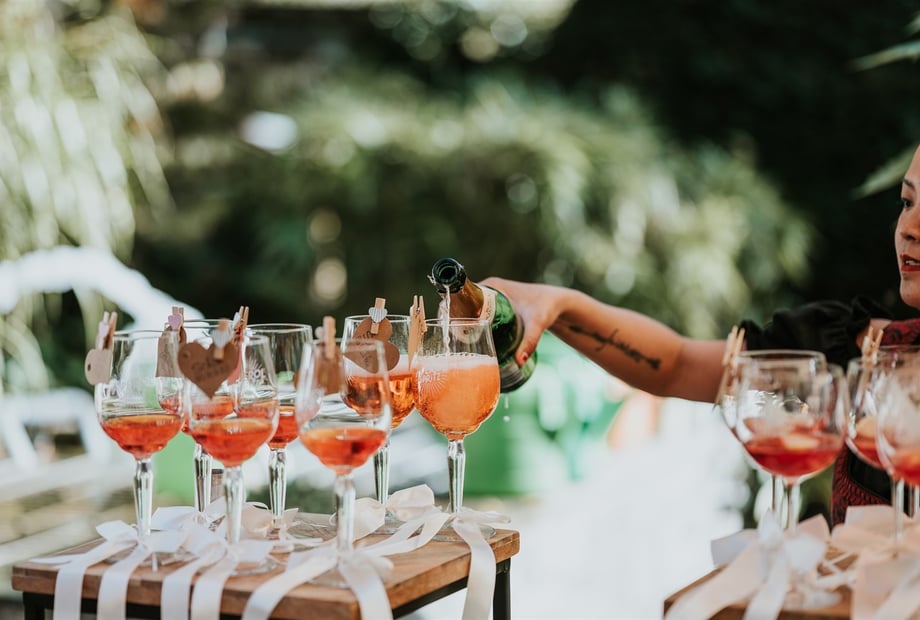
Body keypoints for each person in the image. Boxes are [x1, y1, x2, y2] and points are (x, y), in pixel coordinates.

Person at [481, 142, 920, 526]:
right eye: (906, 202)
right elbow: (677, 365)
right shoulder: (854, 347)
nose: (909, 228)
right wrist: (559, 305)